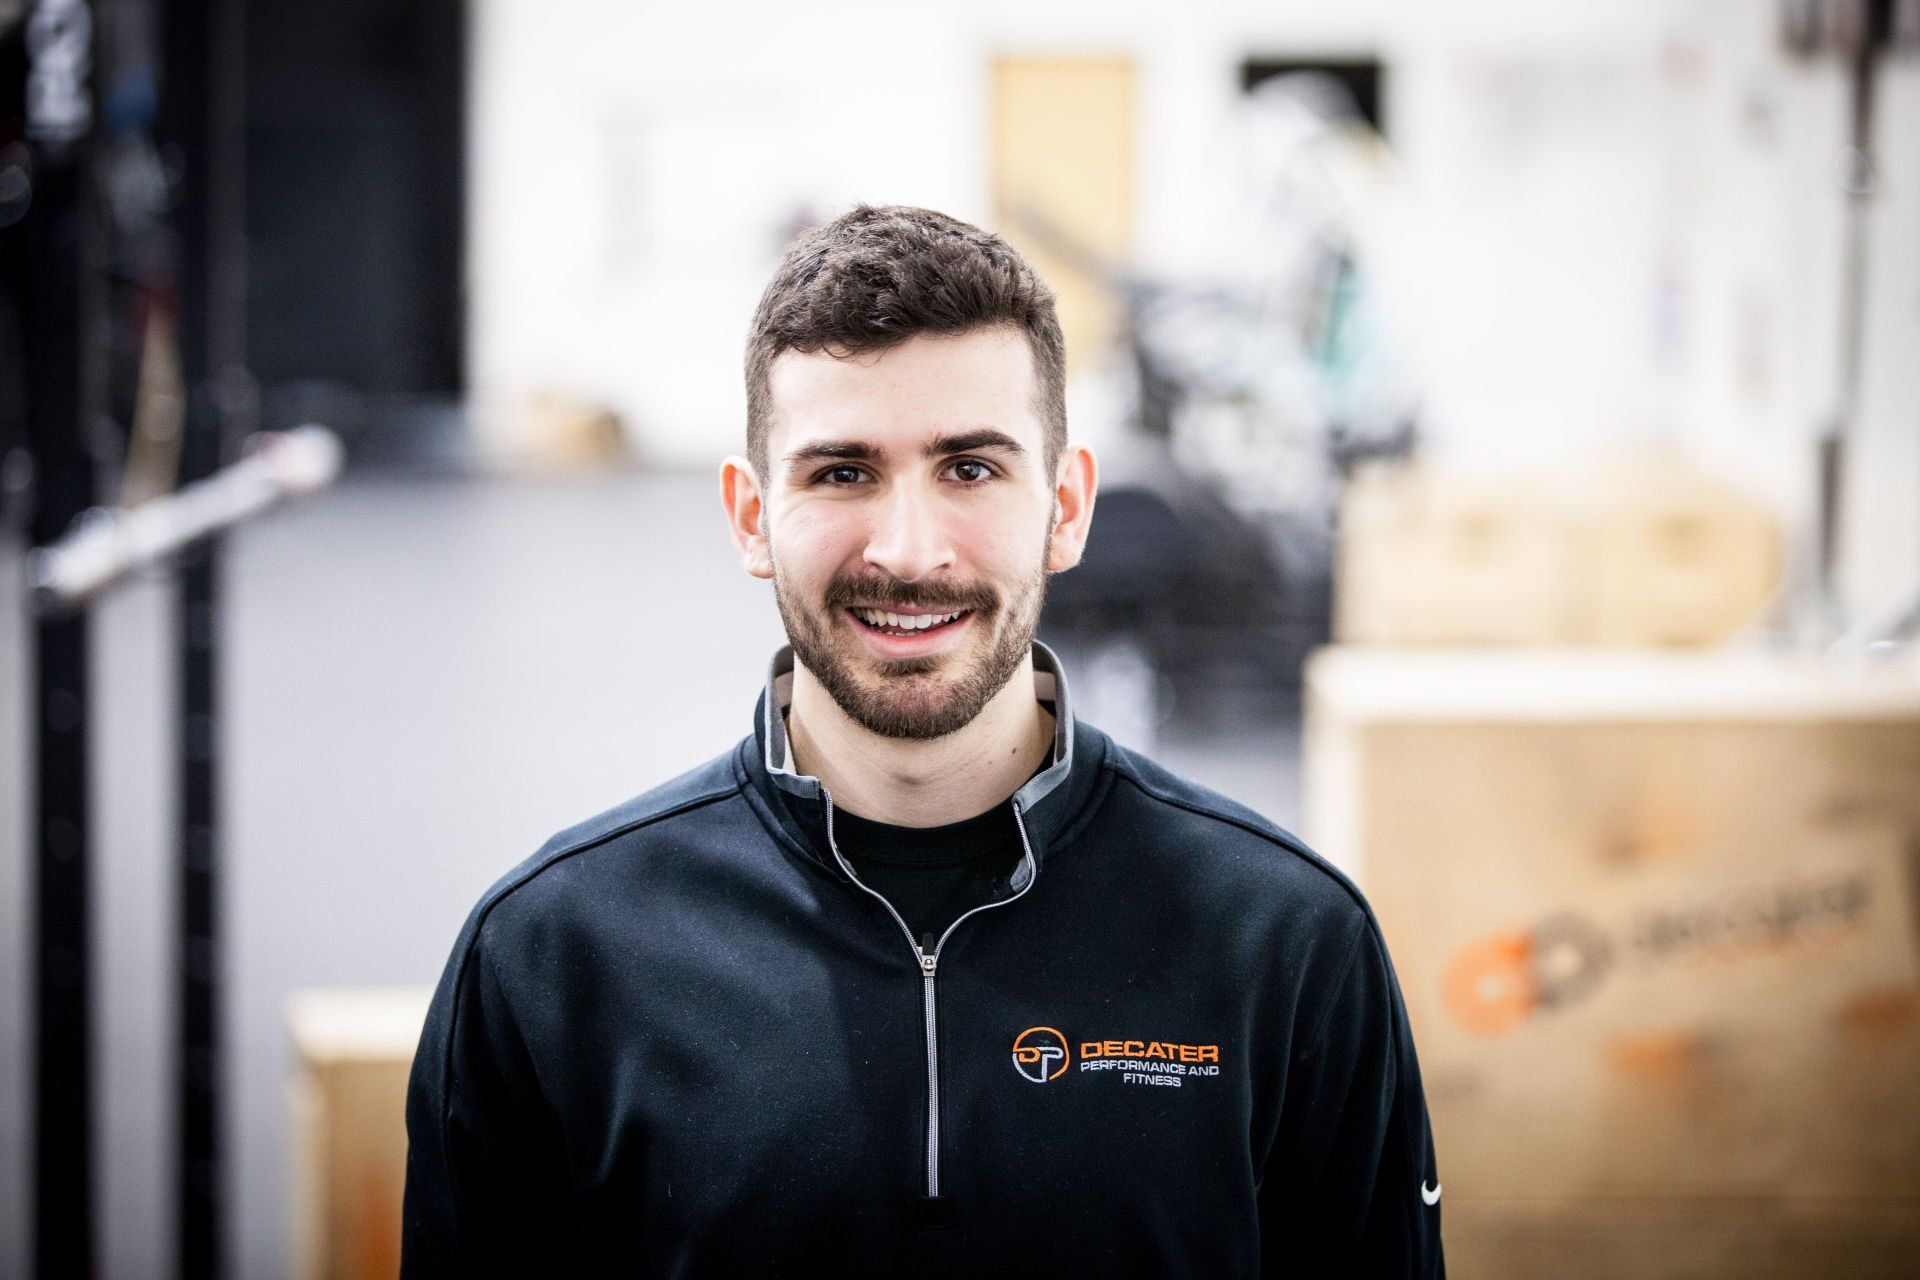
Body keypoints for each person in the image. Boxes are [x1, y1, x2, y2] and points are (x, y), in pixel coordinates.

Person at [402, 204, 1443, 1277]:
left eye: (972, 469)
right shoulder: (553, 961)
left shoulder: (1288, 944)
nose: (907, 550)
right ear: (751, 516)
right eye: (842, 472)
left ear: (1068, 505)